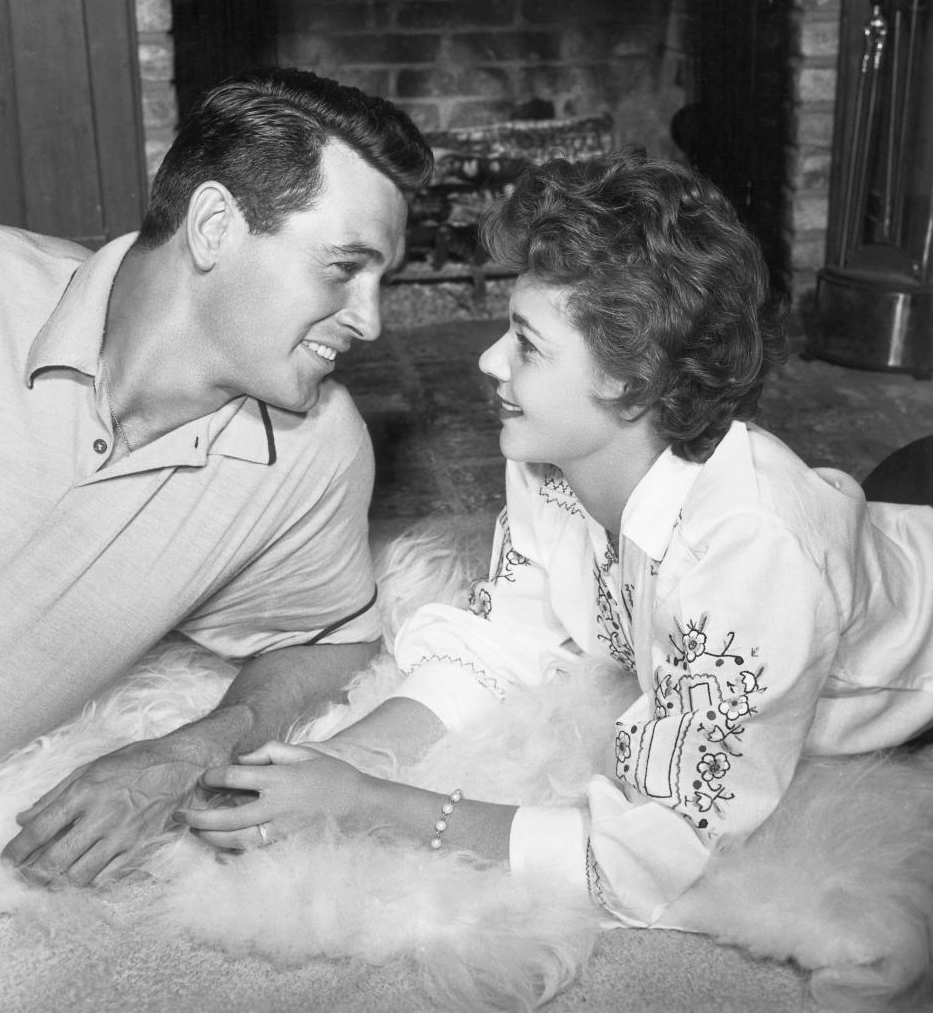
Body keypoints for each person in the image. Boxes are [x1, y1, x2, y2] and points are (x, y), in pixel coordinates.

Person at [180, 147, 933, 927]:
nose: (489, 358)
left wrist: (371, 804)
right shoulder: (549, 454)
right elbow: (504, 646)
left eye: (528, 344)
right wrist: (338, 759)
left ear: (632, 380)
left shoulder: (751, 552)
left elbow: (648, 859)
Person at [0, 67, 432, 887]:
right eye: (342, 268)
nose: (370, 319)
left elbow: (329, 640)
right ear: (215, 225)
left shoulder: (315, 449)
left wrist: (192, 748)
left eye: (380, 280)